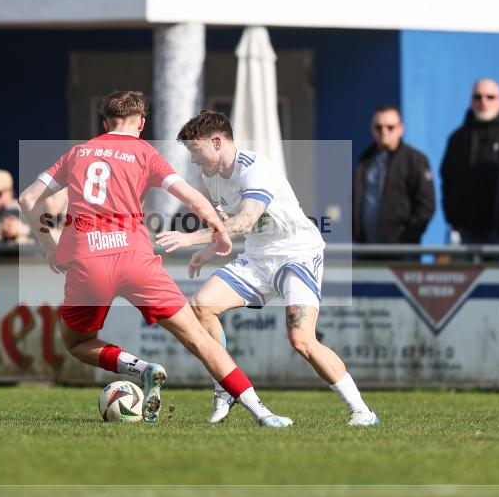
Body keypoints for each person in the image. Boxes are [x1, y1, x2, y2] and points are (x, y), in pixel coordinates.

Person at [19, 91, 293, 427]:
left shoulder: (77, 153)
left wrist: (50, 247)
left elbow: (28, 198)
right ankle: (262, 413)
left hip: (87, 260)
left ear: (105, 124)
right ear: (141, 124)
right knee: (198, 337)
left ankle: (142, 369)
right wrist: (219, 230)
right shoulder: (145, 153)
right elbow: (192, 198)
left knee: (77, 342)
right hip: (136, 259)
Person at [156, 110, 379, 427]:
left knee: (301, 339)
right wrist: (210, 249)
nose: (193, 159)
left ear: (217, 142)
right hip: (258, 257)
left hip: (297, 253)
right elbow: (227, 223)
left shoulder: (255, 169)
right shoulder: (211, 176)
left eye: (195, 149)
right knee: (201, 306)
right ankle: (225, 388)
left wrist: (189, 239)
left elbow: (245, 221)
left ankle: (362, 411)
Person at [440, 79, 499, 244]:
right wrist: (453, 218)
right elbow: (447, 179)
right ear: (471, 100)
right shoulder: (458, 138)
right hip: (465, 232)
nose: (483, 102)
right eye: (477, 97)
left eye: (490, 97)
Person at [352, 105, 435, 245]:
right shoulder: (365, 160)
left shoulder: (415, 160)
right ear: (372, 130)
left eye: (390, 127)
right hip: (367, 248)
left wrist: (408, 238)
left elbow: (426, 206)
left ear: (400, 129)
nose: (384, 132)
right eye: (379, 127)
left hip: (401, 249)